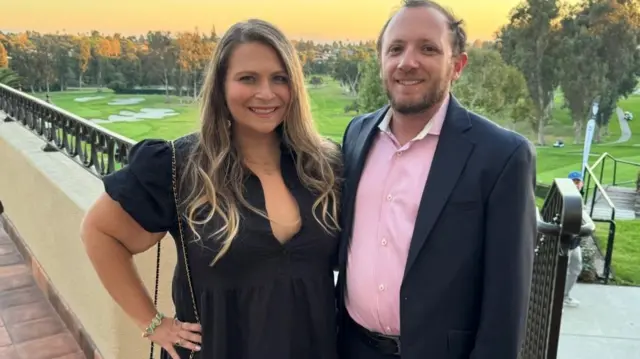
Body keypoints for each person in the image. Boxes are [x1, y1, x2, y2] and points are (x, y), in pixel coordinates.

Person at [80, 19, 342, 359]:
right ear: (220, 86)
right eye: (248, 78)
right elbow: (98, 232)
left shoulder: (323, 167)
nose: (266, 93)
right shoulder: (178, 167)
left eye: (280, 78)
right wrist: (154, 323)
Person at [335, 1, 537, 358]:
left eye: (428, 48)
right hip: (352, 347)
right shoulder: (357, 134)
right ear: (381, 60)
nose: (407, 61)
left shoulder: (502, 156)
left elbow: (506, 302)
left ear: (457, 65)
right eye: (395, 49)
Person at [564, 171, 595, 308]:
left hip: (575, 241)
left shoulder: (579, 198)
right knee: (562, 271)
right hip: (565, 240)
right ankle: (557, 300)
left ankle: (565, 295)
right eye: (573, 182)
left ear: (582, 184)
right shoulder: (565, 197)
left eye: (578, 182)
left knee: (576, 267)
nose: (576, 185)